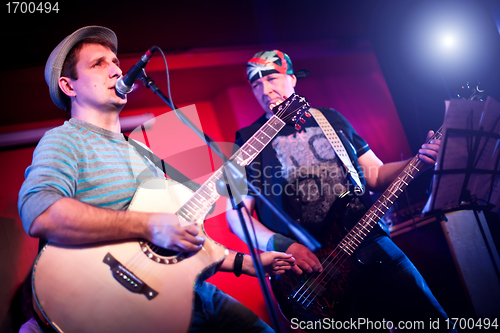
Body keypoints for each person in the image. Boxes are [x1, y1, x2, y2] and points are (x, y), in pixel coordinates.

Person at [18, 27, 295, 333]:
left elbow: (170, 243)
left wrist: (246, 263)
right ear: (69, 86)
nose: (115, 70)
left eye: (115, 62)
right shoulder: (64, 140)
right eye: (99, 64)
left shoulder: (141, 152)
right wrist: (149, 225)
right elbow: (40, 213)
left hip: (198, 294)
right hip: (140, 310)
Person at [226, 50, 454, 332]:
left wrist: (417, 161)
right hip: (312, 273)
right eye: (255, 85)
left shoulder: (331, 119)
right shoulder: (248, 140)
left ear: (293, 79)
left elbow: (376, 174)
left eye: (272, 78)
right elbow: (237, 216)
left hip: (370, 242)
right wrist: (284, 247)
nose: (264, 89)